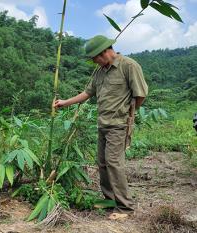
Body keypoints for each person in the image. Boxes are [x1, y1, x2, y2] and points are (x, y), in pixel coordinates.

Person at [54, 35, 148, 218]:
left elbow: (141, 94)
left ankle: (125, 207)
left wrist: (128, 113)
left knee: (114, 163)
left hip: (119, 125)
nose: (94, 61)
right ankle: (109, 200)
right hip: (102, 125)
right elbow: (87, 93)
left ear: (104, 51)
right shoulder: (99, 72)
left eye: (94, 57)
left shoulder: (129, 65)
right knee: (103, 164)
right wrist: (65, 103)